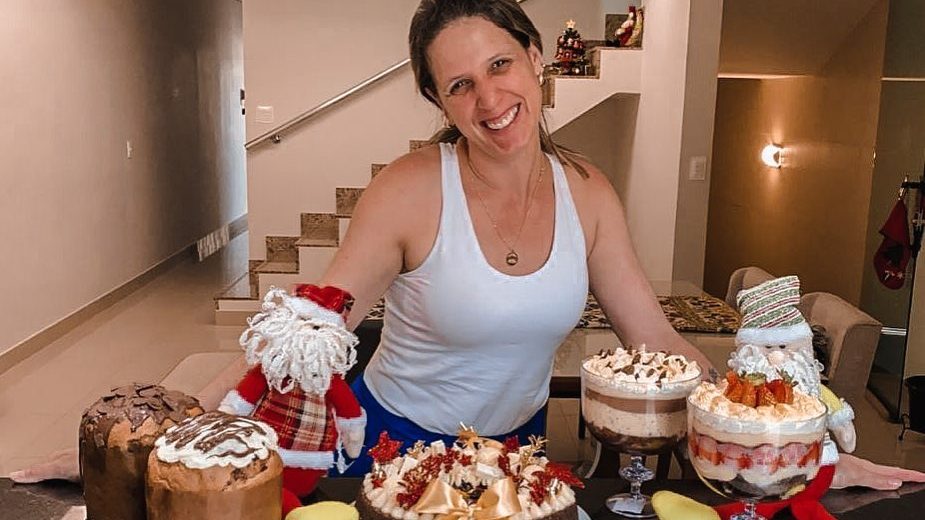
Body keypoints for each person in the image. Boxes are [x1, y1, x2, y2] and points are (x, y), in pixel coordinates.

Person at [11, 0, 924, 493]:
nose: (488, 100)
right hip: (388, 454)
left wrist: (798, 449)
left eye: (498, 65)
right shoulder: (410, 190)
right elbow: (300, 336)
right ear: (438, 102)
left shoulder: (589, 194)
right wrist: (148, 440)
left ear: (535, 57)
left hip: (516, 461)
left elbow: (660, 345)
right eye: (457, 85)